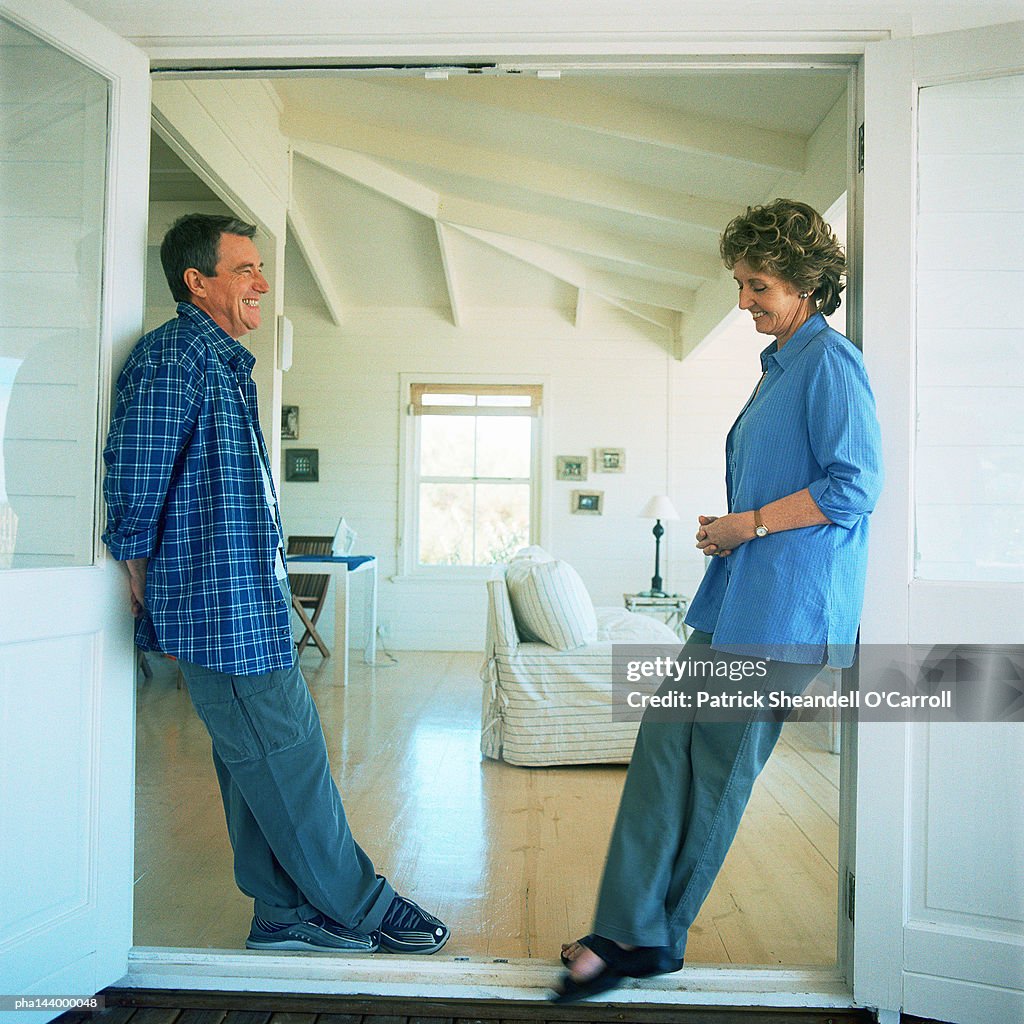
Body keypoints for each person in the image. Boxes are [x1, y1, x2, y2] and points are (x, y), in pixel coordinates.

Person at [555, 198, 882, 1002]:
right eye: (739, 284)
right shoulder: (781, 367)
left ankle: (648, 940)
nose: (743, 302)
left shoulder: (831, 364)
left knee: (715, 776)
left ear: (806, 284)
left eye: (757, 285)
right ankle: (625, 921)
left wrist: (751, 524)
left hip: (786, 613)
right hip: (734, 599)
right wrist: (732, 531)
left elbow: (856, 486)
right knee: (663, 753)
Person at [103, 213, 449, 955]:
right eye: (244, 269)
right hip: (214, 611)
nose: (262, 282)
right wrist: (139, 574)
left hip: (244, 605)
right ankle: (361, 907)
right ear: (197, 281)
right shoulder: (173, 359)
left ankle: (282, 916)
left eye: (261, 269)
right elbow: (134, 478)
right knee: (290, 761)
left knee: (254, 767)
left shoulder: (221, 363)